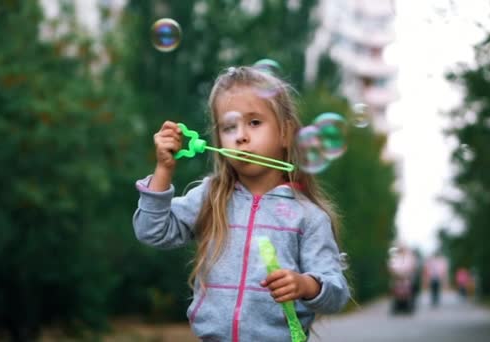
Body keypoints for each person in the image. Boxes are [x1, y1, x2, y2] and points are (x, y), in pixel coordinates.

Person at [132, 66, 350, 341]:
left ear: (285, 134)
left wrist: (305, 285)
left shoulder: (307, 216)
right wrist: (163, 170)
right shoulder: (211, 197)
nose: (241, 136)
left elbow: (336, 293)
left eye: (254, 122)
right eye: (229, 126)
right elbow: (151, 231)